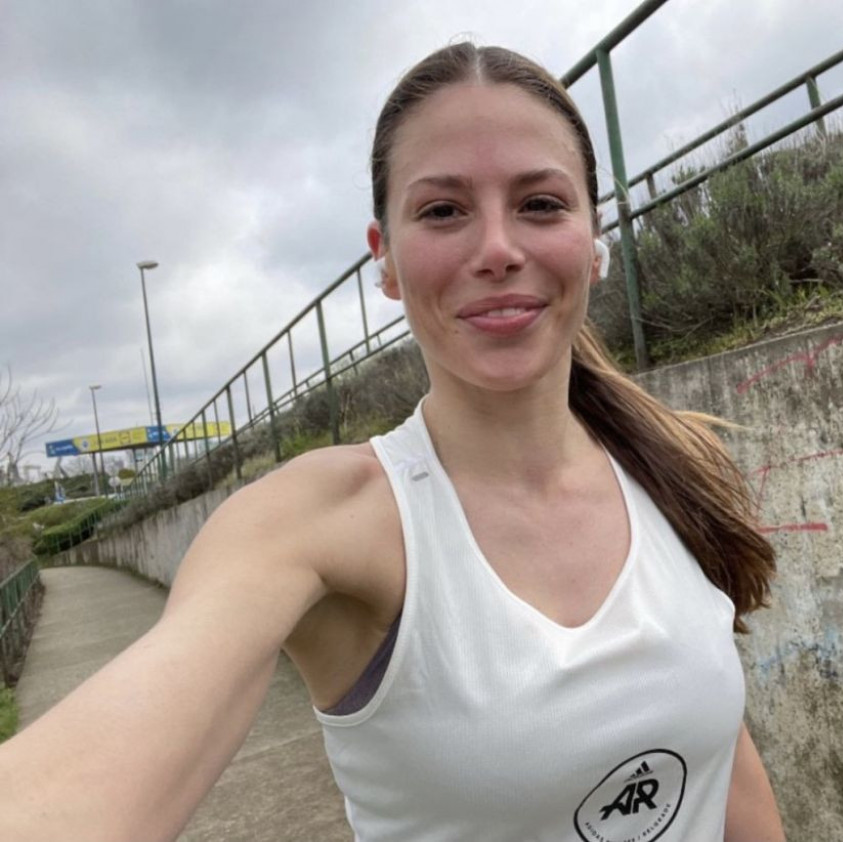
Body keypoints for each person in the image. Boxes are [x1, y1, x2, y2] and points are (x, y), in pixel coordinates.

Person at [0, 43, 785, 842]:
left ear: (593, 237)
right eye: (443, 211)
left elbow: (722, 764)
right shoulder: (321, 523)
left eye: (541, 203)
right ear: (385, 261)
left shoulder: (671, 463)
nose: (498, 249)